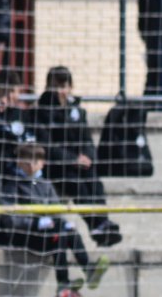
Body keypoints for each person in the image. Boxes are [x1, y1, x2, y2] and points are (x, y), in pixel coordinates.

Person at [0, 143, 110, 297]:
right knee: (60, 233)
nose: (32, 165)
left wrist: (59, 222)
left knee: (68, 230)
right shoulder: (12, 185)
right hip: (27, 236)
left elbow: (56, 209)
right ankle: (63, 282)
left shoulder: (44, 184)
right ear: (19, 162)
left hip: (49, 232)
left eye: (36, 161)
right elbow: (10, 218)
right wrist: (36, 223)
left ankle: (87, 269)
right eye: (27, 161)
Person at [30, 66, 123, 248]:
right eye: (55, 86)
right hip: (57, 167)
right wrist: (73, 159)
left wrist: (88, 157)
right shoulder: (41, 112)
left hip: (78, 164)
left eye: (63, 86)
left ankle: (103, 222)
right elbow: (48, 147)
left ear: (70, 87)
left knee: (94, 180)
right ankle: (96, 226)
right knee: (76, 183)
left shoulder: (76, 111)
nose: (59, 91)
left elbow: (87, 139)